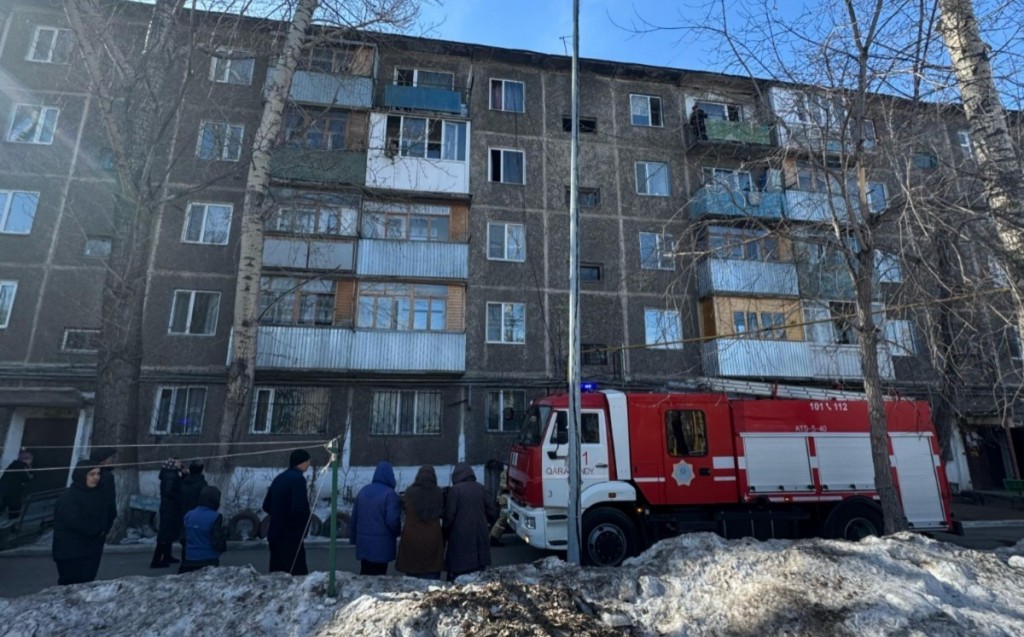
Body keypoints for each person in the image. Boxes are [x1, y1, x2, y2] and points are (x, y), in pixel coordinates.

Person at [52, 461, 108, 586]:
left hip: (91, 550)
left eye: (98, 474)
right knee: (70, 586)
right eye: (92, 474)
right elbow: (74, 521)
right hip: (70, 552)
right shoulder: (69, 497)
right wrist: (97, 530)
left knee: (86, 584)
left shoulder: (97, 494)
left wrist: (103, 529)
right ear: (82, 475)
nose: (96, 478)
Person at [443, 463, 498, 581]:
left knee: (458, 578)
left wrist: (445, 533)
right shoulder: (480, 488)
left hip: (459, 538)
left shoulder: (455, 490)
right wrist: (487, 525)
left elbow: (449, 516)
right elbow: (493, 511)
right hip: (479, 537)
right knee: (478, 577)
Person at [263, 449, 312, 575]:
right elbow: (299, 508)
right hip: (291, 536)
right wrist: (303, 524)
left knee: (277, 575)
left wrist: (278, 513)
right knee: (296, 574)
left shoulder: (279, 478)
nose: (309, 464)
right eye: (307, 461)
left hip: (275, 533)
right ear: (301, 462)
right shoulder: (298, 480)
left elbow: (266, 505)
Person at [350, 460, 401, 576]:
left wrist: (354, 538)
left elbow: (354, 518)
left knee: (365, 573)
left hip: (364, 544)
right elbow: (392, 520)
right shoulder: (390, 494)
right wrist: (398, 531)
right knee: (379, 576)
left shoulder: (363, 491)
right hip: (382, 546)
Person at [395, 465, 444, 580]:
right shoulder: (438, 493)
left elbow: (405, 509)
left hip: (412, 536)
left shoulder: (410, 491)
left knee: (412, 576)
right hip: (433, 537)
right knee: (432, 577)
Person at [179, 485, 227, 574]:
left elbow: (183, 538)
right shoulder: (216, 517)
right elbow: (218, 541)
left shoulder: (188, 515)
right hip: (209, 558)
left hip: (190, 558)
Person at [151, 458, 184, 568]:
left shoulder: (170, 475)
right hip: (170, 508)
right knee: (165, 533)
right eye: (178, 462)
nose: (180, 463)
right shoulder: (172, 476)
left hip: (168, 507)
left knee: (168, 532)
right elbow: (169, 491)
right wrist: (180, 498)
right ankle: (156, 559)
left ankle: (166, 555)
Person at [180, 459, 208, 561]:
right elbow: (205, 499)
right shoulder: (202, 483)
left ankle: (185, 560)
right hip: (198, 513)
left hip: (185, 512)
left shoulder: (184, 482)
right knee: (197, 537)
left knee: (186, 537)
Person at [91, 447, 118, 536]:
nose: (114, 460)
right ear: (103, 461)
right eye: (111, 458)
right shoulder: (107, 476)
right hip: (101, 517)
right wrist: (113, 514)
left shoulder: (91, 473)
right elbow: (109, 499)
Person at [0, 450, 34, 519]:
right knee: (15, 510)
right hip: (12, 492)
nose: (31, 462)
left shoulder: (13, 465)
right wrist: (29, 472)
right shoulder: (21, 466)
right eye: (30, 460)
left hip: (3, 491)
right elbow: (26, 478)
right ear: (26, 459)